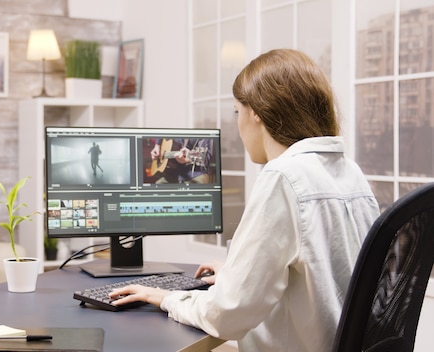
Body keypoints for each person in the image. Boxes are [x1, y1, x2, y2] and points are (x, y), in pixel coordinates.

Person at [110, 49, 381, 352]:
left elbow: (227, 316)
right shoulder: (348, 172)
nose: (238, 125)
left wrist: (168, 298)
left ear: (256, 113)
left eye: (237, 112)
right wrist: (236, 275)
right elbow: (325, 277)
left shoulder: (284, 176)